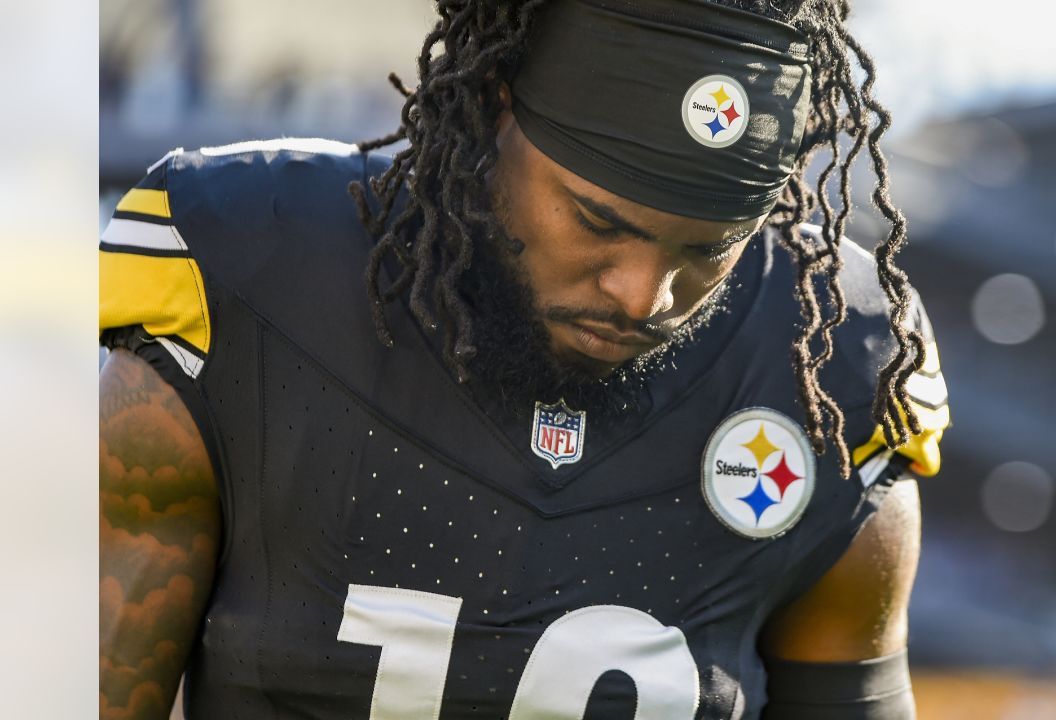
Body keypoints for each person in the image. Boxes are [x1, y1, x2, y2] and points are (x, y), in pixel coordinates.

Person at [98, 0, 950, 717]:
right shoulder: (253, 277)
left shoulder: (831, 364)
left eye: (709, 249)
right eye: (599, 221)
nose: (641, 295)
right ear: (495, 103)